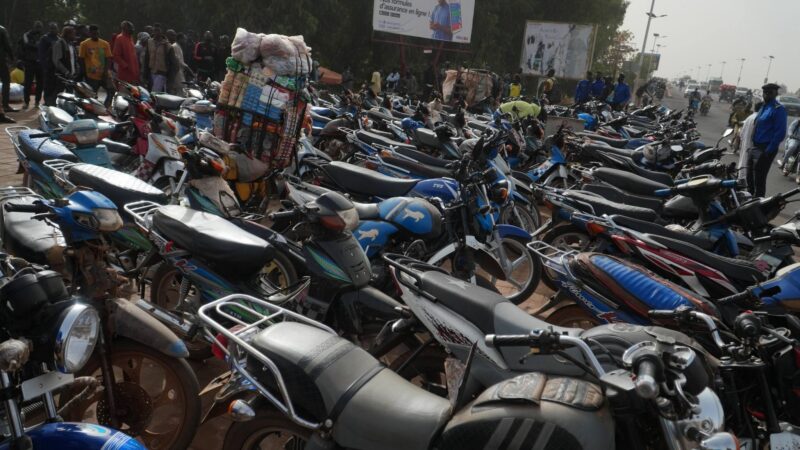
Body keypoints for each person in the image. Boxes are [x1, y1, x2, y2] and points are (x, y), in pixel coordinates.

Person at [746, 83, 787, 197]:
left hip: (766, 148)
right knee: (749, 176)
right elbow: (757, 126)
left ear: (775, 94)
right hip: (755, 147)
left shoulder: (779, 109)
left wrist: (768, 150)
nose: (767, 95)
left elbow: (780, 133)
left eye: (770, 93)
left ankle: (759, 204)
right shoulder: (763, 107)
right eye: (765, 92)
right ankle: (748, 201)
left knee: (759, 178)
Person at [78, 24, 113, 103]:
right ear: (89, 33)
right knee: (92, 96)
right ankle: (93, 112)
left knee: (112, 91)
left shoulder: (105, 44)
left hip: (104, 74)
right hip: (91, 76)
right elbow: (81, 59)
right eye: (93, 33)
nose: (95, 35)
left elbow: (108, 58)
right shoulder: (84, 44)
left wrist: (105, 72)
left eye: (97, 33)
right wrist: (84, 73)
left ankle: (105, 108)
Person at [49, 26, 78, 106]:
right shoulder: (59, 44)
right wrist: (66, 72)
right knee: (57, 94)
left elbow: (73, 59)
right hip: (61, 76)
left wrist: (75, 70)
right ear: (68, 34)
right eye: (73, 34)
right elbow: (56, 61)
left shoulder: (71, 45)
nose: (75, 36)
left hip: (71, 76)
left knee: (70, 96)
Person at [19, 21, 43, 108]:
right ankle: (26, 102)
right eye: (37, 27)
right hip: (29, 62)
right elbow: (25, 45)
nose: (38, 29)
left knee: (40, 83)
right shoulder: (27, 35)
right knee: (28, 83)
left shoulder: (42, 36)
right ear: (33, 27)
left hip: (40, 63)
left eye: (40, 27)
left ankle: (37, 102)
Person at [146, 24, 171, 92]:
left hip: (161, 72)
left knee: (155, 92)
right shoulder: (149, 42)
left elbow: (171, 60)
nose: (156, 32)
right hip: (152, 72)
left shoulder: (167, 44)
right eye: (155, 30)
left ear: (161, 31)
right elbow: (147, 57)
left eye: (158, 30)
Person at [165, 29, 191, 94]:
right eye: (184, 39)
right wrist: (188, 69)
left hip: (180, 71)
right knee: (182, 89)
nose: (185, 41)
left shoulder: (178, 46)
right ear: (180, 39)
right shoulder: (175, 46)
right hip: (177, 72)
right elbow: (179, 61)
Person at [0, 24, 15, 113]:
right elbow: (7, 45)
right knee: (6, 80)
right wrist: (12, 57)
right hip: (1, 60)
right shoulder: (2, 29)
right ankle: (5, 105)